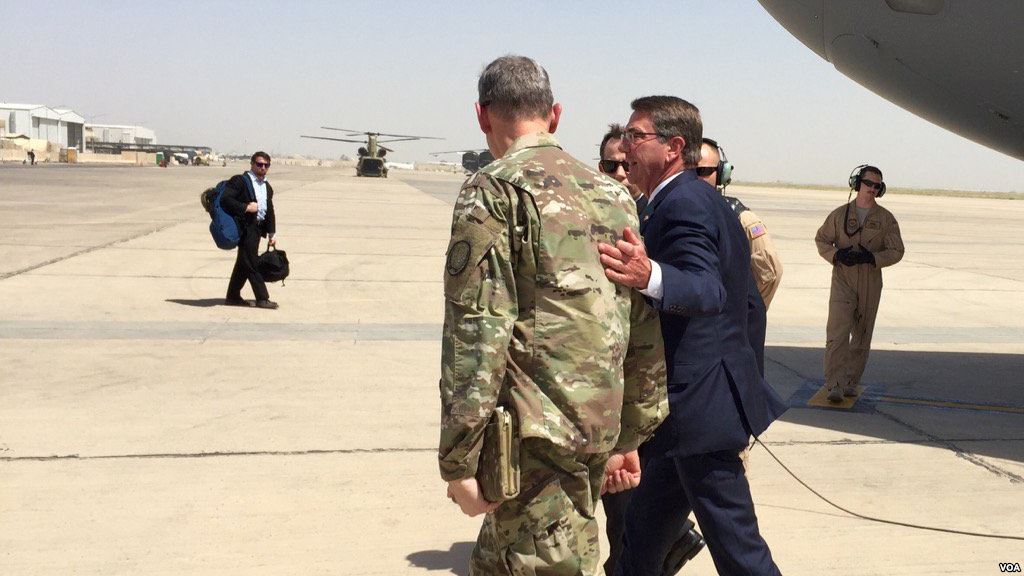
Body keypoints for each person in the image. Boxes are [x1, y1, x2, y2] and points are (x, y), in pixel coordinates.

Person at [439, 55, 668, 576]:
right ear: (555, 115)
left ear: (482, 116)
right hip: (595, 427)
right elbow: (639, 320)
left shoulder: (493, 189)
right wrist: (631, 432)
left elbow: (476, 332)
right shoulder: (613, 194)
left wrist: (458, 460)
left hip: (532, 441)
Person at [598, 95, 787, 576]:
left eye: (636, 137)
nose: (625, 148)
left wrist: (649, 275)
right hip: (682, 412)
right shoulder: (680, 200)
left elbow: (707, 290)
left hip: (699, 412)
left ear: (674, 146)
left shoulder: (684, 202)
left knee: (738, 550)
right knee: (638, 541)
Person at [815, 165, 904, 403]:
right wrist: (836, 255)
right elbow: (822, 239)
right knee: (838, 332)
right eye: (868, 184)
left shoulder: (886, 219)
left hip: (870, 280)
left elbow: (897, 250)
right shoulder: (839, 215)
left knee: (862, 334)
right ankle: (834, 383)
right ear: (857, 184)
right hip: (843, 279)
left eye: (877, 186)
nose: (872, 189)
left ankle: (851, 381)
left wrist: (873, 258)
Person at [698, 138, 783, 309]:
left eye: (704, 171)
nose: (697, 178)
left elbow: (769, 273)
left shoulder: (742, 219)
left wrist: (741, 313)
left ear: (722, 173)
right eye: (689, 171)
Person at [220, 151, 278, 309]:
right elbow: (226, 200)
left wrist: (272, 233)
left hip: (258, 229)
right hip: (245, 228)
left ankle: (232, 296)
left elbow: (269, 210)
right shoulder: (240, 181)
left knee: (243, 262)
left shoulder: (267, 186)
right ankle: (262, 298)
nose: (262, 168)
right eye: (259, 164)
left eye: (266, 165)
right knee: (252, 263)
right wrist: (246, 207)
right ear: (252, 164)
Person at [599, 124, 647, 214]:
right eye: (610, 165)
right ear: (601, 170)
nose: (619, 174)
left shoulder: (657, 213)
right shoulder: (593, 212)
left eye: (627, 164)